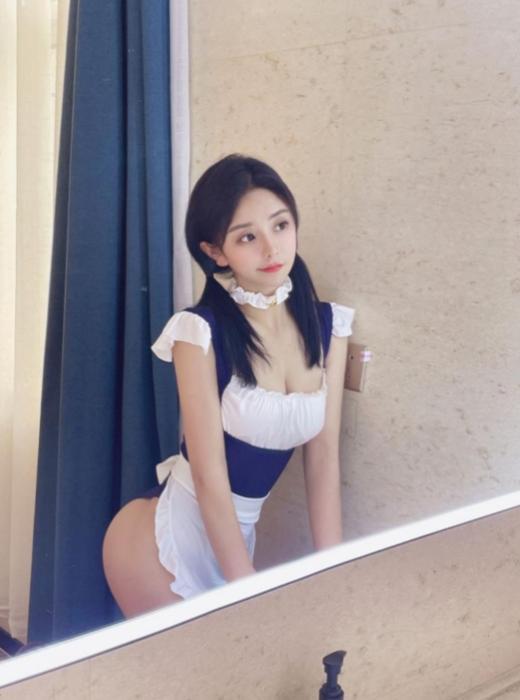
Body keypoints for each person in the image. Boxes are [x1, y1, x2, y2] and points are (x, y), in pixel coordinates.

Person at [102, 154, 355, 617]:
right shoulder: (198, 333)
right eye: (247, 237)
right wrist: (246, 590)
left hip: (236, 536)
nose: (271, 249)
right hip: (161, 542)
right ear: (216, 252)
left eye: (280, 225)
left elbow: (323, 460)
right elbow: (208, 474)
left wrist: (332, 571)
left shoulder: (328, 327)